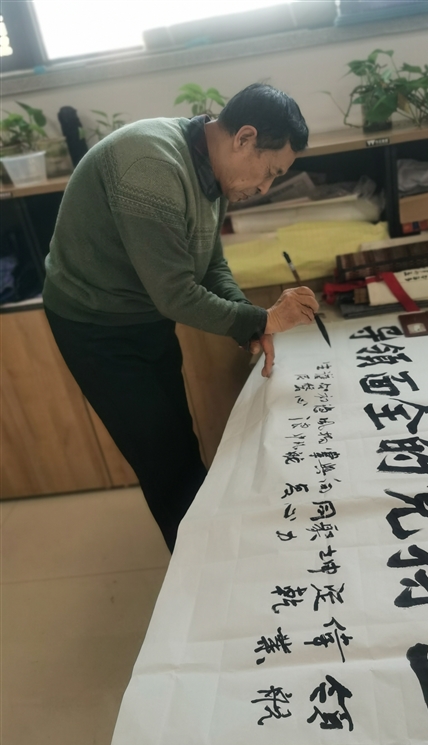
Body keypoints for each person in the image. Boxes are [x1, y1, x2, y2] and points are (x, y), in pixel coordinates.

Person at [43, 83, 319, 553]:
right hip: (94, 323)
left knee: (177, 438)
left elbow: (210, 265)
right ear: (245, 138)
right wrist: (262, 320)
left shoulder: (212, 169)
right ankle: (205, 572)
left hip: (143, 311)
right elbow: (175, 294)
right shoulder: (151, 166)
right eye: (270, 172)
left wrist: (255, 321)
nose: (264, 188)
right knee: (161, 456)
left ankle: (210, 550)